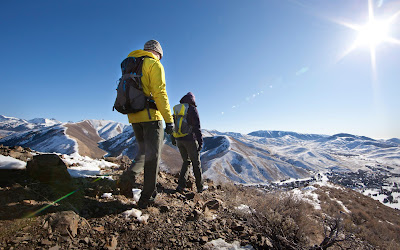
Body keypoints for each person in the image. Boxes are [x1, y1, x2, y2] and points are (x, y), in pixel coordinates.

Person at [118, 40, 174, 209]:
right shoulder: (153, 64)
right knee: (153, 158)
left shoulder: (131, 63)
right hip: (151, 117)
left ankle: (127, 180)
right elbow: (160, 93)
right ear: (157, 53)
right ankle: (147, 198)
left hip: (134, 116)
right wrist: (169, 120)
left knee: (143, 152)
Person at [173, 92, 207, 193]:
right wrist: (200, 142)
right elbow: (197, 126)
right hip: (190, 140)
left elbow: (172, 124)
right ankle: (200, 187)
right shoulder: (191, 109)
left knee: (186, 162)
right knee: (196, 163)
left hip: (179, 139)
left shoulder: (177, 109)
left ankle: (181, 186)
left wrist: (173, 138)